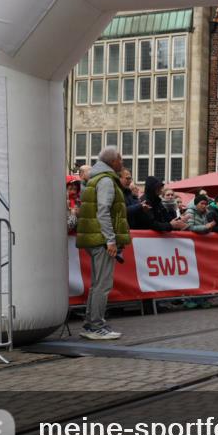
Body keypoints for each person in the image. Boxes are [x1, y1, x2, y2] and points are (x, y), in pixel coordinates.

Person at [75, 146, 131, 340]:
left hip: (94, 238)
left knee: (97, 283)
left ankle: (91, 323)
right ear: (112, 161)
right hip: (101, 239)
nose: (122, 163)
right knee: (103, 284)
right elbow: (103, 211)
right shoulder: (106, 180)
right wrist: (110, 240)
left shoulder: (95, 178)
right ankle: (95, 325)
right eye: (120, 160)